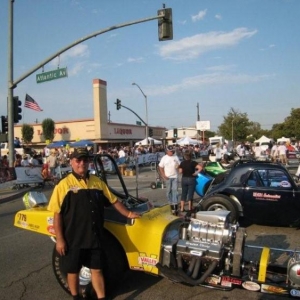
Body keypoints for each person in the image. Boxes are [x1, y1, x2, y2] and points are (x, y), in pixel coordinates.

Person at [47, 148, 140, 300]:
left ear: (88, 162)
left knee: (97, 270)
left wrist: (129, 214)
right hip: (73, 238)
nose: (81, 163)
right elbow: (56, 214)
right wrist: (60, 239)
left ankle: (101, 298)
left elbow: (113, 201)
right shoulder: (63, 185)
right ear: (71, 162)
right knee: (73, 271)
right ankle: (76, 297)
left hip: (95, 237)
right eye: (78, 160)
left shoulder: (97, 182)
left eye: (84, 160)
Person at [158, 145, 181, 215]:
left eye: (172, 151)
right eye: (170, 151)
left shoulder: (175, 157)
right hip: (167, 177)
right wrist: (163, 175)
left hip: (175, 176)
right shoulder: (164, 158)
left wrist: (178, 167)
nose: (172, 152)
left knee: (175, 191)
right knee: (169, 191)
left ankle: (175, 205)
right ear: (167, 151)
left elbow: (179, 165)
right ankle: (170, 204)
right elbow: (160, 167)